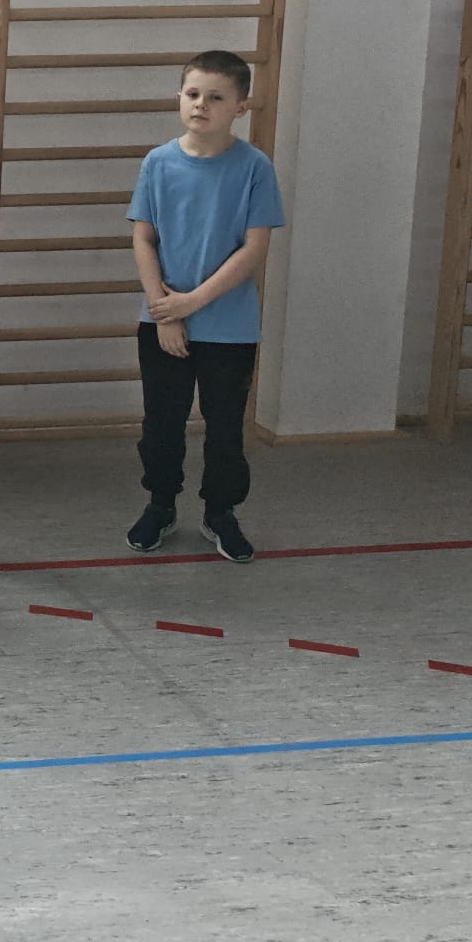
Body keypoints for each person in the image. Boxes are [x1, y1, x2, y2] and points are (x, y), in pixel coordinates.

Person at [125, 49, 285, 564]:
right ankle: (160, 504)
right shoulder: (158, 163)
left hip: (229, 328)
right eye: (193, 94)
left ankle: (221, 512)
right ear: (179, 97)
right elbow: (144, 238)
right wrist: (164, 310)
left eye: (215, 97)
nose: (201, 105)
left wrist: (191, 303)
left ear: (240, 107)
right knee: (162, 424)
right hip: (163, 322)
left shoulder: (255, 168)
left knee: (225, 429)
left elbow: (254, 249)